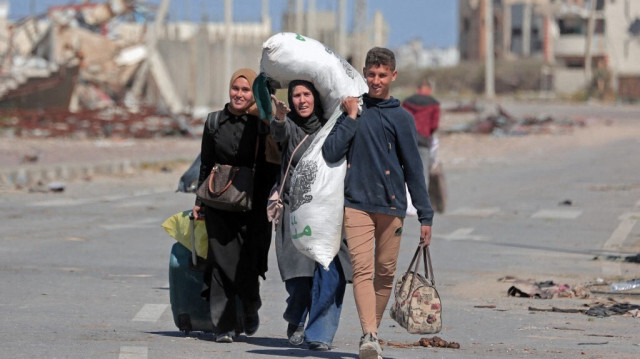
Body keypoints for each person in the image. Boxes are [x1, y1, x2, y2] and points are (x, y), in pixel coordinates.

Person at [322, 47, 434, 359]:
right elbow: (331, 153)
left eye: (382, 75)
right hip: (356, 204)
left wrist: (425, 216)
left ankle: (373, 330)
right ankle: (369, 335)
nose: (375, 80)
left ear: (392, 76)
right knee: (361, 271)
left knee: (385, 274)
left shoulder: (402, 118)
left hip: (392, 207)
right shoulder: (351, 110)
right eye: (371, 74)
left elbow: (413, 169)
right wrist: (351, 118)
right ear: (364, 74)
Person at [192, 68, 278, 343]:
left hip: (254, 205)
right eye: (235, 89)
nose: (239, 95)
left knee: (248, 264)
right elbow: (206, 163)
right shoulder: (214, 121)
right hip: (219, 202)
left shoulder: (261, 124)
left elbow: (271, 164)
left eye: (245, 90)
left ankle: (250, 306)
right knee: (219, 264)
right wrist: (199, 202)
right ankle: (223, 325)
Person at [270, 80, 352, 351]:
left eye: (306, 94)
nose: (301, 100)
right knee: (298, 278)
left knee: (327, 274)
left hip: (326, 211)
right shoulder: (290, 124)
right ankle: (296, 320)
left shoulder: (330, 126)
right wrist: (280, 118)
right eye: (296, 95)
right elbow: (279, 135)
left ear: (316, 98)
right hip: (294, 209)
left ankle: (318, 332)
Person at [401, 78, 440, 179]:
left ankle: (406, 194)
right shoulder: (434, 104)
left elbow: (401, 120)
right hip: (423, 140)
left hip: (407, 140)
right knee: (423, 172)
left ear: (418, 89)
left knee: (406, 170)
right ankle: (423, 194)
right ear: (430, 89)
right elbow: (434, 125)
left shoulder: (407, 102)